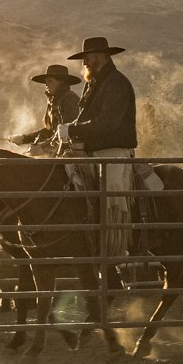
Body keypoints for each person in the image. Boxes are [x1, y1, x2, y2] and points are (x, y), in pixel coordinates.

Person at [64, 36, 146, 272]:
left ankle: (116, 249)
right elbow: (85, 118)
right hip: (94, 152)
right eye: (84, 58)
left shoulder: (116, 84)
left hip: (113, 152)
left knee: (112, 199)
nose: (85, 62)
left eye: (88, 57)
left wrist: (72, 129)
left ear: (101, 56)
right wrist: (69, 132)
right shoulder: (96, 83)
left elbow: (108, 123)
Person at [10, 64, 82, 157]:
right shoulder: (53, 101)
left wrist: (43, 148)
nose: (46, 84)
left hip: (71, 154)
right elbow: (48, 131)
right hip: (59, 152)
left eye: (50, 81)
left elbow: (68, 135)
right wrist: (24, 138)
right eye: (46, 81)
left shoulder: (70, 99)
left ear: (61, 82)